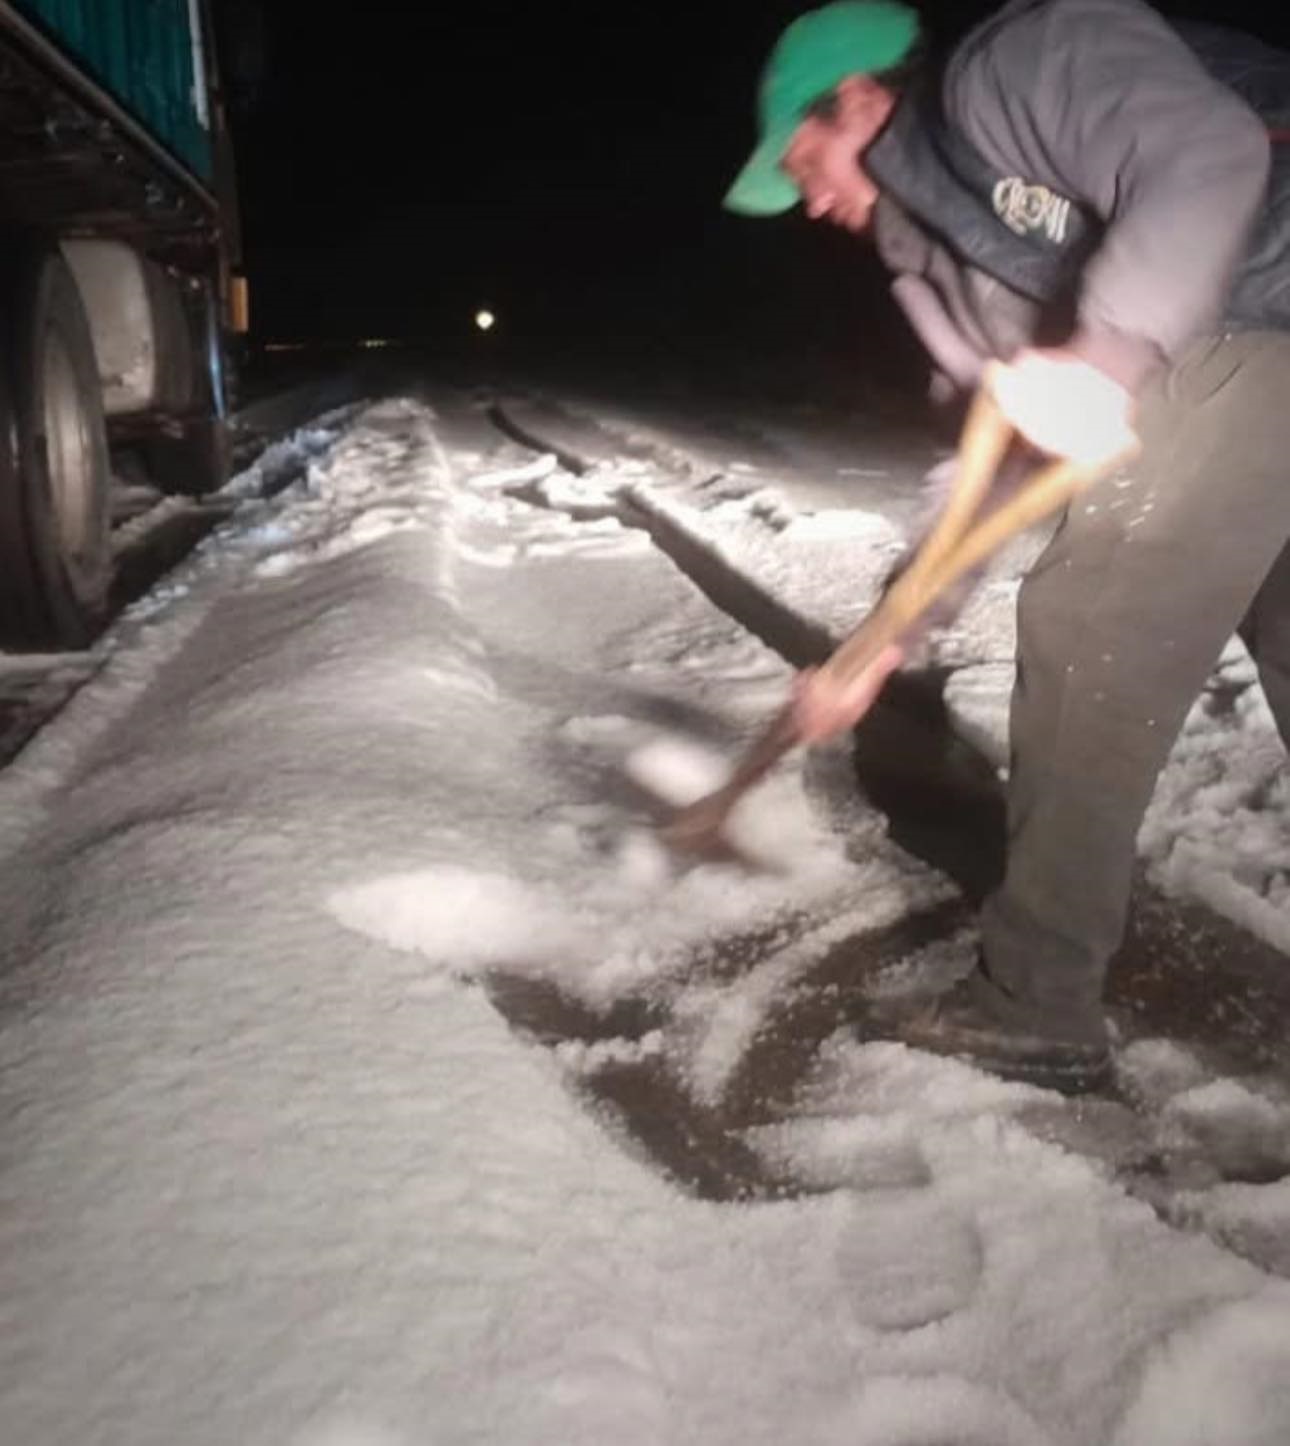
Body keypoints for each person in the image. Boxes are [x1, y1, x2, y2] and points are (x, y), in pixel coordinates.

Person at [725, 0, 1290, 1092]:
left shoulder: (1015, 66)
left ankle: (1036, 1002)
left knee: (1094, 620)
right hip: (1249, 350)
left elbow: (1207, 149)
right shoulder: (937, 268)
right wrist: (888, 639)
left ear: (861, 97)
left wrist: (1106, 354)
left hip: (1263, 312)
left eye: (803, 162)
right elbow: (1000, 463)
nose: (810, 201)